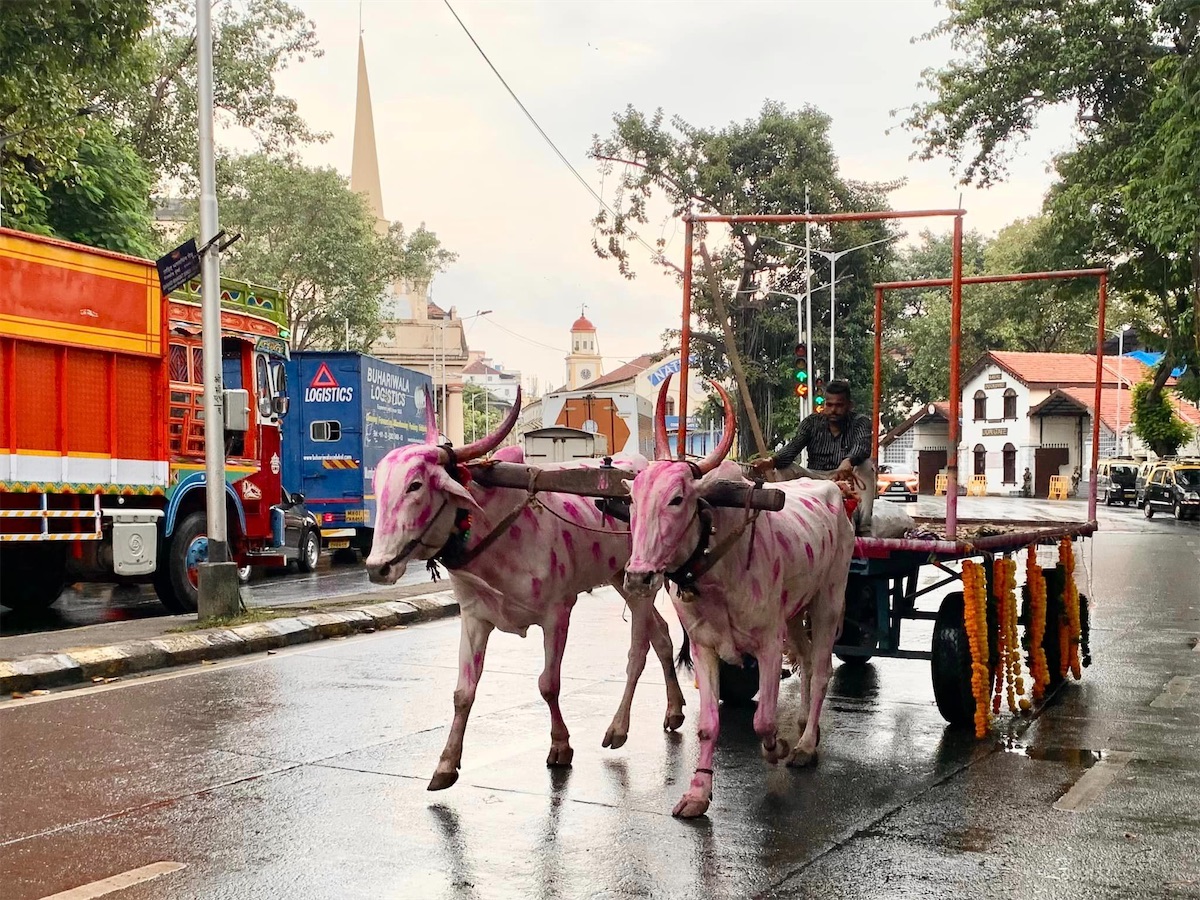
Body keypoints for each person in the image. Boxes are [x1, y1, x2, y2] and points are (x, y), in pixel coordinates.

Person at [750, 379, 875, 533]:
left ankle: (864, 527)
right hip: (815, 477)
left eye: (839, 405)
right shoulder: (811, 422)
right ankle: (785, 522)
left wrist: (848, 461)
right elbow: (794, 446)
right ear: (824, 404)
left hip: (847, 478)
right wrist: (771, 461)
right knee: (785, 469)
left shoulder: (860, 422)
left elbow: (862, 446)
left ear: (850, 405)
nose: (833, 410)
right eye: (829, 405)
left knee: (866, 466)